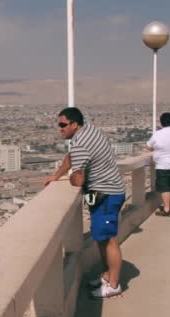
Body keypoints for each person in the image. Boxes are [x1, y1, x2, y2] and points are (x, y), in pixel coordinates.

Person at [43, 107, 126, 299]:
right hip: (107, 192)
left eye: (63, 125)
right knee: (102, 237)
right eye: (59, 125)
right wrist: (56, 175)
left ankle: (114, 284)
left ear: (74, 124)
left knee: (109, 240)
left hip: (106, 194)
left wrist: (71, 177)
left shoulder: (80, 143)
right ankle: (107, 276)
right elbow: (71, 158)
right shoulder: (90, 131)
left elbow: (78, 180)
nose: (60, 129)